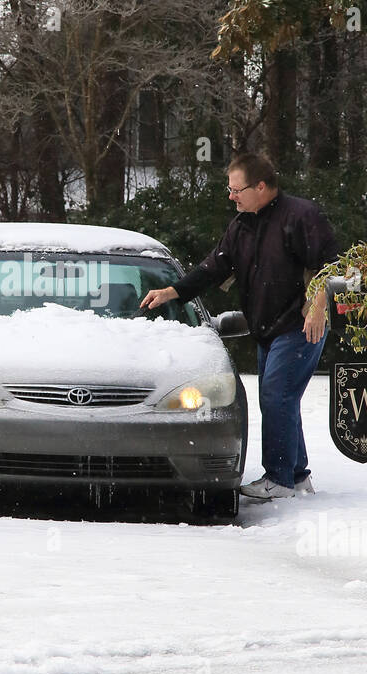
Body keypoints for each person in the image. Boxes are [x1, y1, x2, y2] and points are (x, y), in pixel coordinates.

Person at [139, 153, 339, 500]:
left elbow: (332, 265)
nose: (231, 196)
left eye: (236, 190)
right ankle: (296, 474)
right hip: (267, 329)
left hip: (299, 326)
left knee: (276, 396)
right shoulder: (242, 225)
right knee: (281, 399)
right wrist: (173, 291)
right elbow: (214, 267)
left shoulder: (301, 216)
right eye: (228, 189)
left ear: (261, 187)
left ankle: (278, 480)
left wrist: (319, 306)